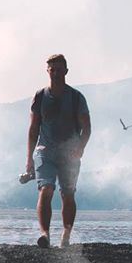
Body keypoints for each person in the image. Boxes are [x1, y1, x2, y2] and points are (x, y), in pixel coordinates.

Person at [25, 53, 91, 248]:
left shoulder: (76, 98)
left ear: (66, 71)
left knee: (67, 193)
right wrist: (29, 158)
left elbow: (86, 127)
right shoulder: (39, 97)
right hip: (45, 151)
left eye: (59, 70)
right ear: (47, 71)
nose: (55, 73)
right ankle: (44, 234)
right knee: (46, 189)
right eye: (52, 70)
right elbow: (33, 128)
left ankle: (66, 233)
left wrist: (80, 148)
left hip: (69, 154)